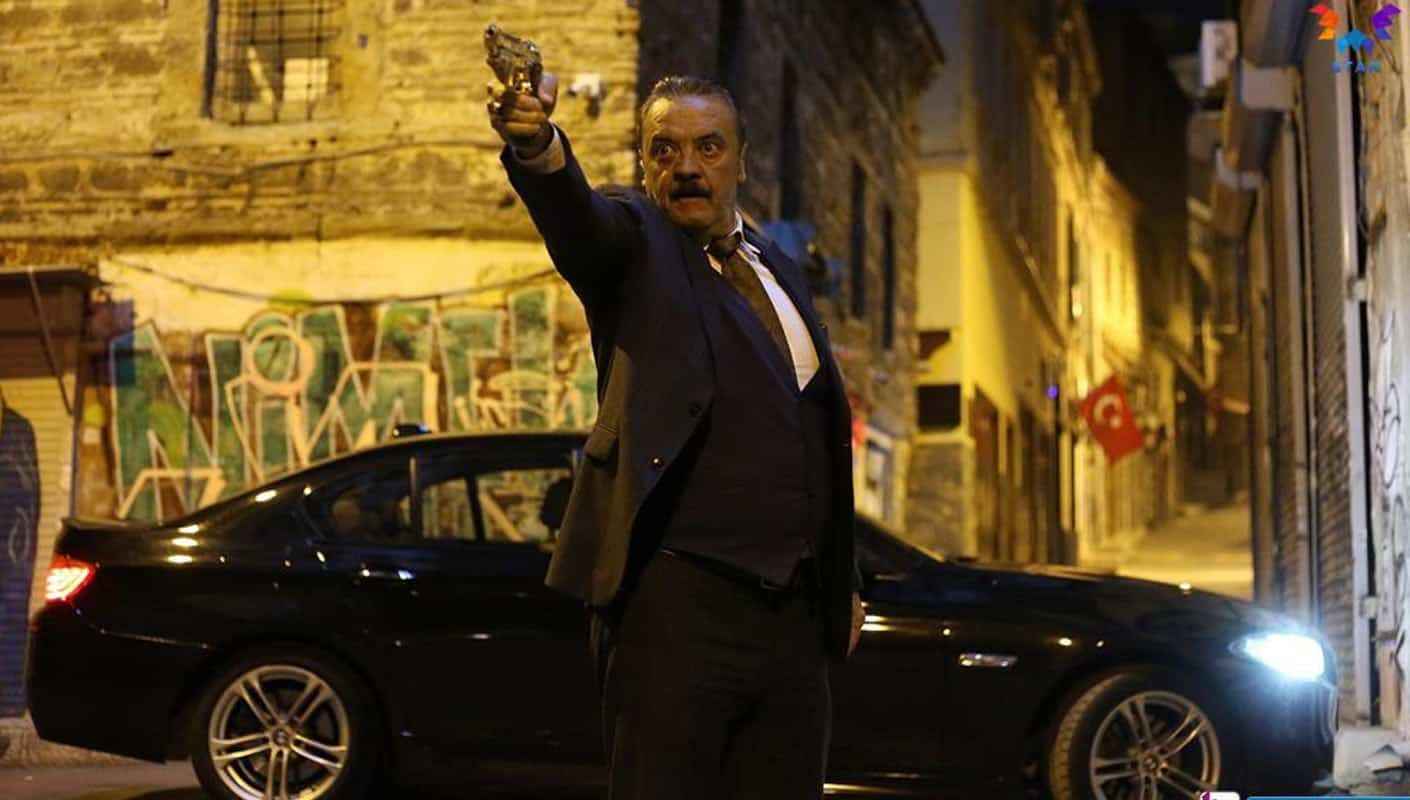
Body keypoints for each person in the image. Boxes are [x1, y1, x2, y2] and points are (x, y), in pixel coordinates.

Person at [489, 68, 864, 799]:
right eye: (665, 149)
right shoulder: (636, 247)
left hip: (794, 621)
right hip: (676, 611)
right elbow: (579, 221)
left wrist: (840, 579)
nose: (687, 166)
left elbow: (816, 438)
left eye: (708, 147)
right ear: (643, 164)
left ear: (741, 161)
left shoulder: (780, 269)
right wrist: (538, 147)